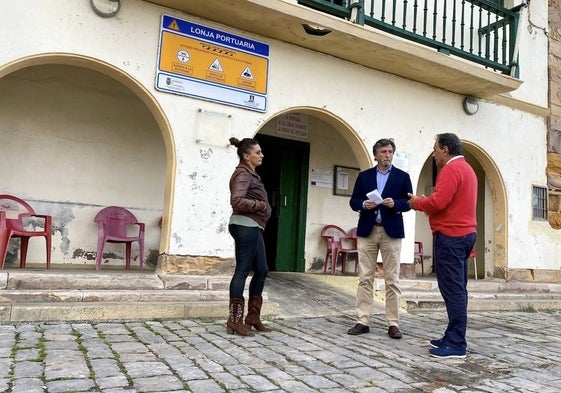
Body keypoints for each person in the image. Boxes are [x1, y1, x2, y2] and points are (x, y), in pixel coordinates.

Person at [407, 133, 477, 359]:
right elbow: (449, 201)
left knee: (453, 290)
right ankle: (451, 335)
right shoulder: (467, 169)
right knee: (458, 289)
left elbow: (438, 202)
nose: (434, 153)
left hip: (451, 236)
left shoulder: (450, 169)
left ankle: (457, 344)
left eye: (435, 148)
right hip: (465, 234)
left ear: (445, 149)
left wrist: (417, 202)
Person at [347, 138, 413, 339]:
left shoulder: (402, 177)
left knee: (392, 278)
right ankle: (362, 320)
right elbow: (353, 201)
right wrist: (363, 205)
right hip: (368, 229)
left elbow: (409, 202)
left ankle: (393, 323)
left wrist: (396, 204)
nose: (387, 155)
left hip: (391, 230)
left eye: (390, 152)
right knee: (365, 277)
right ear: (376, 154)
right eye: (383, 152)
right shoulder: (364, 176)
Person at [227, 137, 272, 336]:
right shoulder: (242, 174)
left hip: (254, 226)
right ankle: (234, 320)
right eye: (258, 152)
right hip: (245, 225)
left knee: (261, 270)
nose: (261, 155)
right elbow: (236, 200)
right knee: (242, 270)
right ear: (247, 156)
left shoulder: (251, 174)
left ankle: (253, 317)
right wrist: (260, 206)